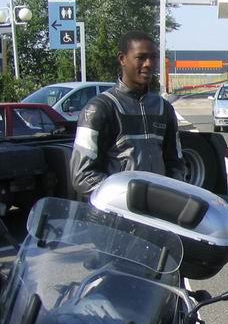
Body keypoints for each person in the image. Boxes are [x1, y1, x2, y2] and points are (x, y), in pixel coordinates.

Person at [71, 30, 185, 200]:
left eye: (153, 57)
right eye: (141, 57)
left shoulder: (164, 109)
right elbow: (82, 176)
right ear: (122, 58)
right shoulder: (98, 109)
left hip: (158, 211)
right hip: (116, 213)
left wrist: (170, 197)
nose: (148, 64)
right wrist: (129, 199)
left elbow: (176, 164)